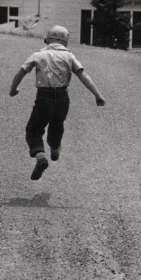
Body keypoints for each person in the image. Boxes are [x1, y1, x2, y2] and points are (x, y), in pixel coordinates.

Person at [9, 25, 106, 180]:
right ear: (65, 42)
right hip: (62, 97)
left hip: (43, 96)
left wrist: (13, 89)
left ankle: (40, 156)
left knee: (34, 129)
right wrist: (98, 95)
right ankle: (55, 148)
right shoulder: (70, 57)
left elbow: (21, 72)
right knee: (57, 124)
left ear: (48, 40)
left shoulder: (39, 55)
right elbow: (83, 75)